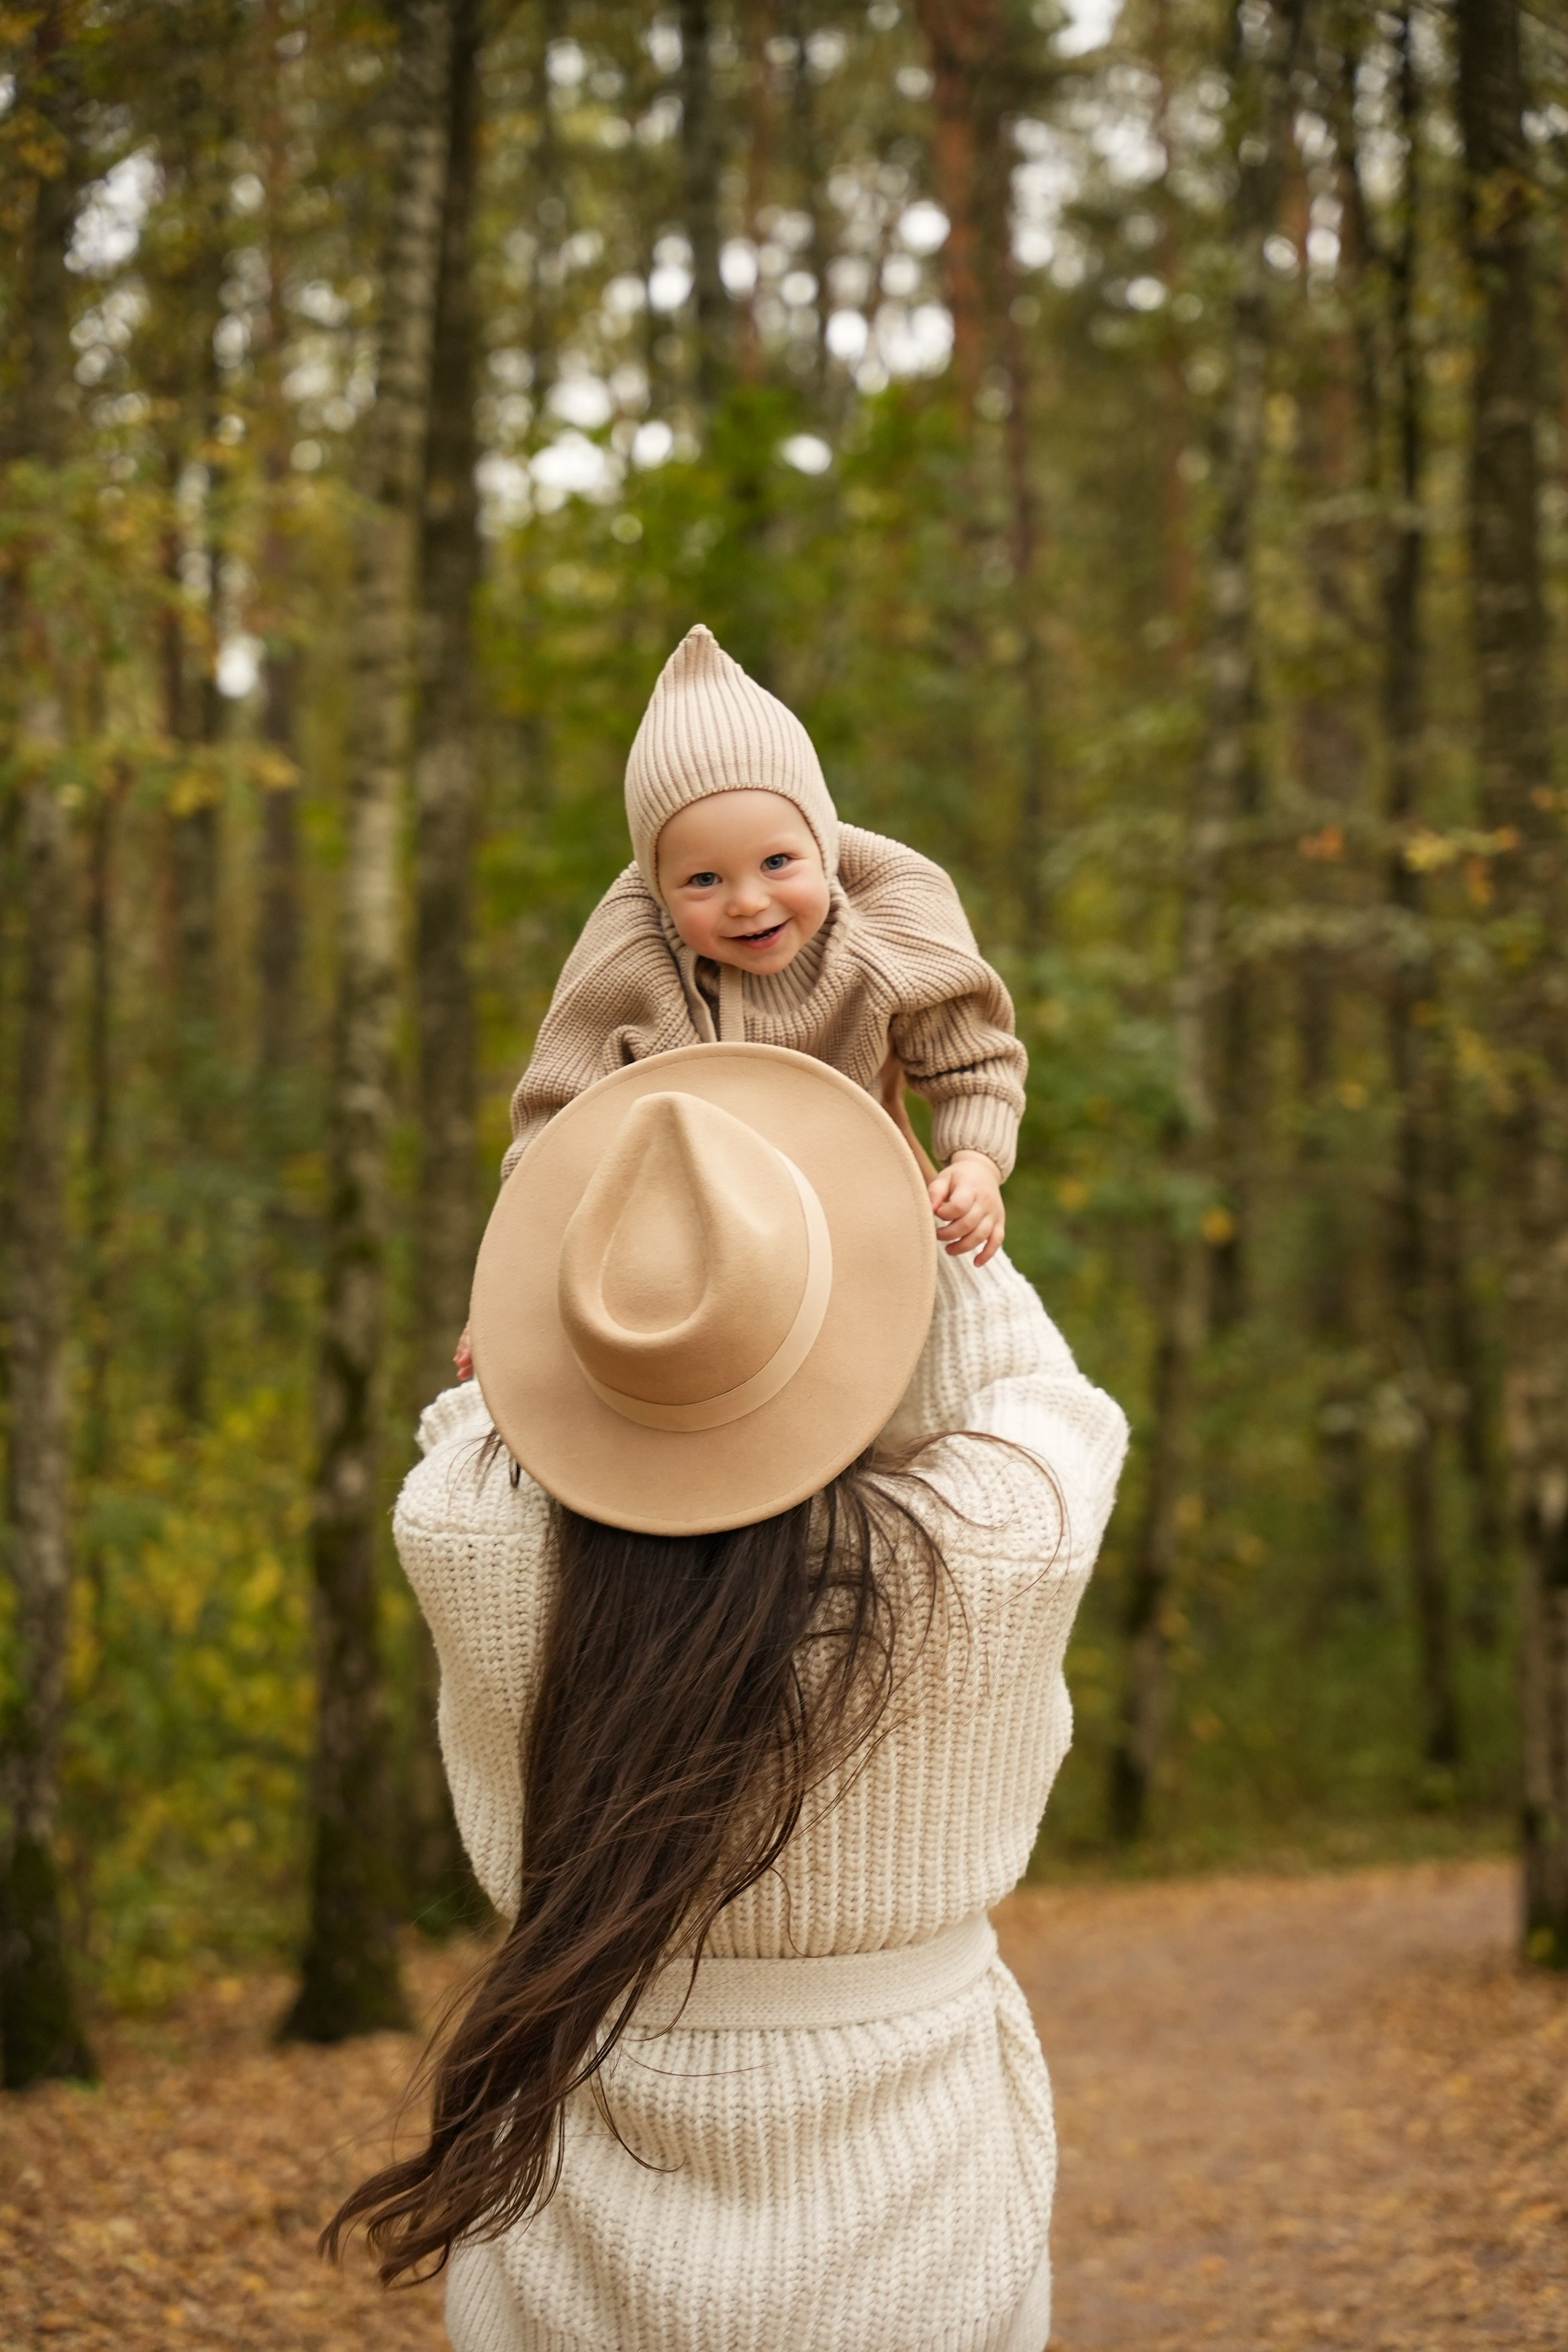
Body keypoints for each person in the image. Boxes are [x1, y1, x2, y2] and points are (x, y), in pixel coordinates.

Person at [336, 1041, 1126, 2352]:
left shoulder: (464, 1539)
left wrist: (555, 1268)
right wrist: (912, 1202)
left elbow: (482, 1413)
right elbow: (1036, 1391)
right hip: (916, 2206)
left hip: (577, 2191)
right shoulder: (992, 1549)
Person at [455, 624, 1026, 1379]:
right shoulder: (630, 966)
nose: (748, 902)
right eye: (702, 881)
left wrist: (976, 1166)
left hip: (872, 1209)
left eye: (777, 862)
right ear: (656, 890)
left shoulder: (886, 931)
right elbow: (555, 1133)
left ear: (823, 844)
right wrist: (508, 1288)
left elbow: (971, 1059)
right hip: (693, 1253)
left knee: (986, 1367)